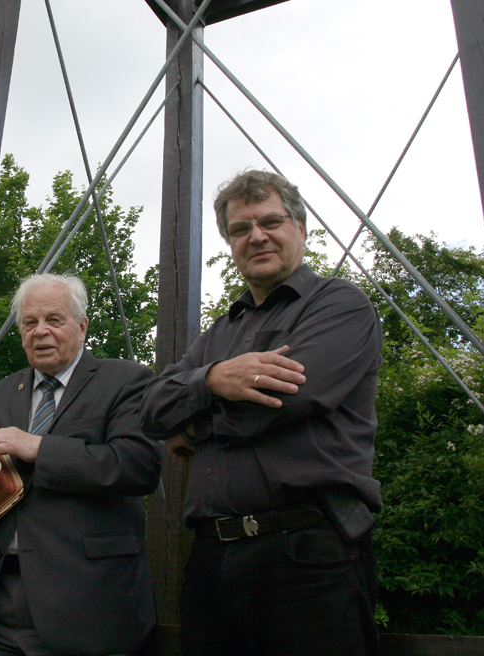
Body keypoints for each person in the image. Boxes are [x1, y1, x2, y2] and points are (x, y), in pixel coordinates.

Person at [139, 169, 384, 656]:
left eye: (270, 222)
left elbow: (281, 403)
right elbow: (149, 409)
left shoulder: (340, 306)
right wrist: (212, 380)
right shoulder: (219, 335)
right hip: (210, 559)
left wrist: (193, 428)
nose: (256, 237)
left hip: (306, 555)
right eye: (240, 229)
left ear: (300, 226)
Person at [0, 273, 161, 656]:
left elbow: (138, 465)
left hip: (87, 608)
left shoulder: (127, 380)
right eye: (30, 323)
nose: (41, 332)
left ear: (82, 326)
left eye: (54, 320)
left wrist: (40, 447)